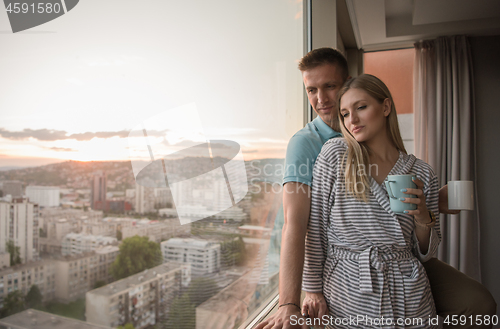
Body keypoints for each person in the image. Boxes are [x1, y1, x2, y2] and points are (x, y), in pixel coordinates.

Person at [254, 48, 496, 329]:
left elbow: (419, 243)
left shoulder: (417, 168)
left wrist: (425, 212)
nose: (321, 99)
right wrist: (294, 299)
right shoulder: (318, 147)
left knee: (480, 305)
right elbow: (300, 226)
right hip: (351, 277)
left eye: (330, 87)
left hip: (405, 270)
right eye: (312, 90)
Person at [302, 73, 440, 328]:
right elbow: (316, 228)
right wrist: (312, 289)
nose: (351, 120)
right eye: (344, 114)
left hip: (408, 292)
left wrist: (423, 217)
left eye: (361, 107)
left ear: (385, 107)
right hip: (348, 290)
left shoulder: (421, 172)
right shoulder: (336, 155)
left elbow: (426, 252)